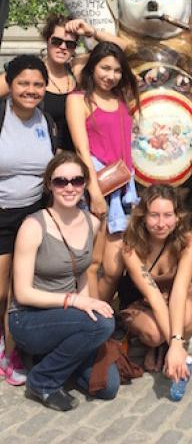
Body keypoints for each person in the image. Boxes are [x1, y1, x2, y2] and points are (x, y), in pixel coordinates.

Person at [9, 152, 119, 411]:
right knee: (102, 325)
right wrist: (76, 302)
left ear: (84, 184)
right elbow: (23, 293)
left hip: (66, 318)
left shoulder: (92, 223)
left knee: (107, 386)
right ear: (49, 185)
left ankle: (53, 358)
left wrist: (88, 303)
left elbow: (81, 272)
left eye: (77, 181)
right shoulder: (33, 226)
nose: (69, 188)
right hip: (30, 319)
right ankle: (42, 380)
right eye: (61, 182)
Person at [66, 41, 140, 301]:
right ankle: (93, 328)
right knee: (92, 263)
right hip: (96, 188)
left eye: (117, 70)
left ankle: (102, 316)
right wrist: (95, 192)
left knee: (113, 268)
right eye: (104, 67)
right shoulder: (79, 99)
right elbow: (81, 148)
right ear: (92, 66)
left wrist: (94, 34)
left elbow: (131, 46)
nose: (110, 75)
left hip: (122, 187)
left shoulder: (121, 96)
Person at [0, 55, 55, 385]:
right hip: (1, 215)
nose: (30, 90)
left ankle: (14, 349)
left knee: (22, 290)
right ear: (9, 83)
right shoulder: (1, 116)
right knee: (0, 291)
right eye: (23, 83)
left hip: (31, 217)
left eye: (37, 84)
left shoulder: (46, 122)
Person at [120, 185, 192, 376]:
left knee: (187, 318)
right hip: (146, 301)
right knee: (153, 334)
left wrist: (174, 344)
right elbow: (153, 296)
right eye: (154, 215)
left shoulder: (188, 242)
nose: (161, 223)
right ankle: (163, 345)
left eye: (167, 215)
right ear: (142, 216)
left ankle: (167, 348)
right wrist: (175, 344)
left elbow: (180, 291)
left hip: (178, 295)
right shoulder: (130, 246)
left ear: (178, 216)